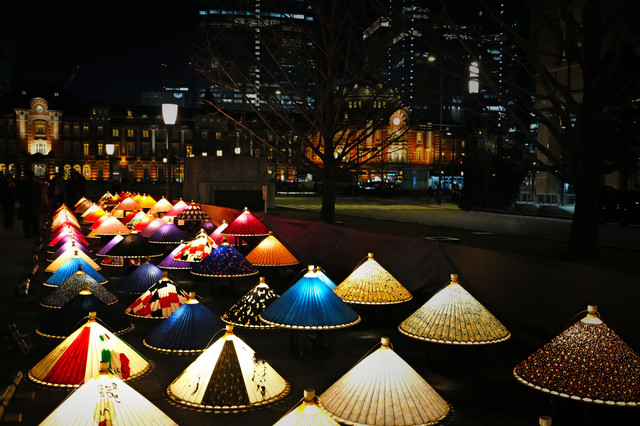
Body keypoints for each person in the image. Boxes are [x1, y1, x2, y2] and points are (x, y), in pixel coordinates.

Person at [18, 170, 42, 238]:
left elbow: (20, 194)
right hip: (34, 204)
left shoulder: (24, 184)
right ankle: (35, 232)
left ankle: (28, 234)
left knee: (26, 221)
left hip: (26, 205)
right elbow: (39, 194)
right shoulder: (35, 184)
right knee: (35, 220)